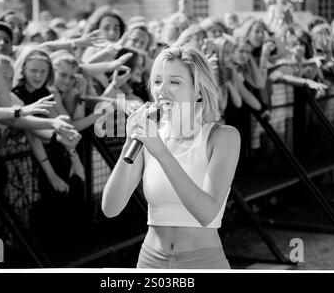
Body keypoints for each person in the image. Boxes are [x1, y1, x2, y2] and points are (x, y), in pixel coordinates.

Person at [102, 46, 240, 269]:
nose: (162, 90)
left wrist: (160, 151)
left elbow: (206, 213)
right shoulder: (148, 139)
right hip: (149, 261)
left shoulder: (224, 137)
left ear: (198, 90)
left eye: (174, 82)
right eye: (157, 81)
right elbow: (110, 208)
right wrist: (130, 141)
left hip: (203, 262)